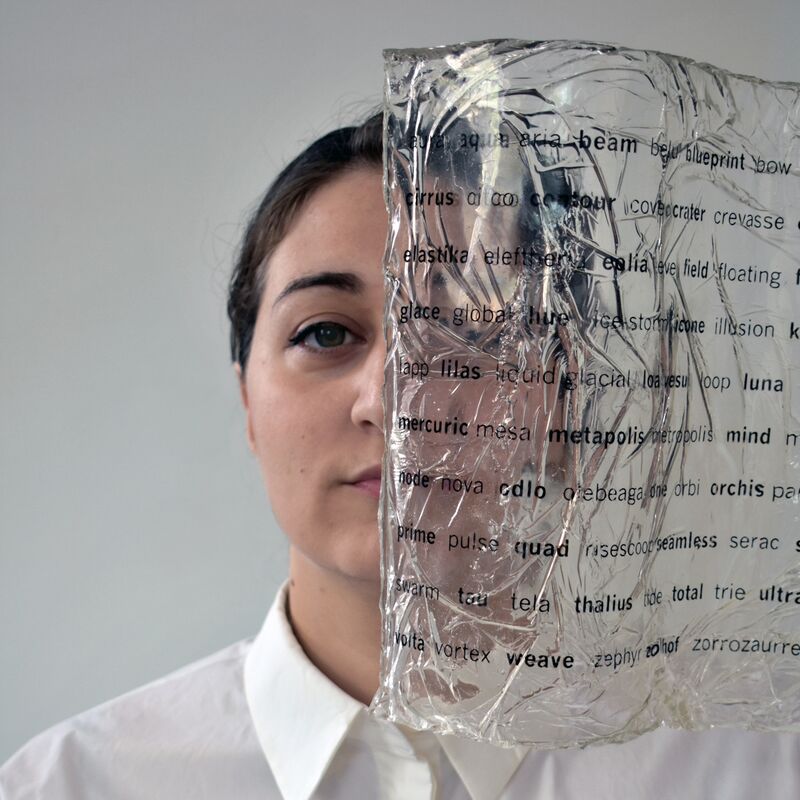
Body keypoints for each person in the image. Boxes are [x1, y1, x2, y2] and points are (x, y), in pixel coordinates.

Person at [1, 110, 798, 800]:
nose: (392, 403)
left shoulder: (749, 772)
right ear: (248, 401)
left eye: (470, 333)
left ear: (560, 399)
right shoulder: (72, 786)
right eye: (325, 334)